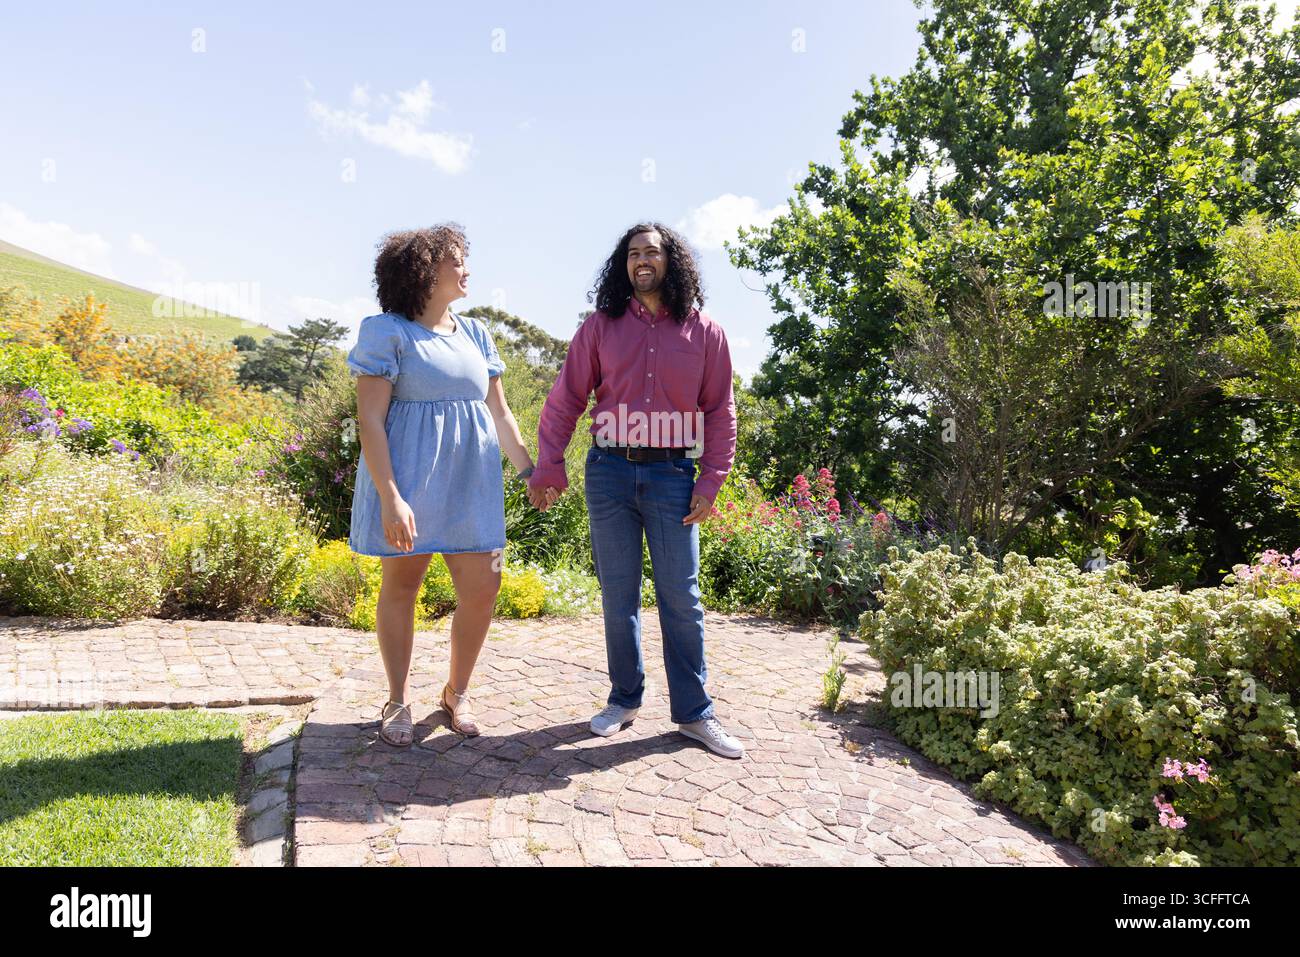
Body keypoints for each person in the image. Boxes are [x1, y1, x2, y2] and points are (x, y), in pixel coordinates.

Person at [526, 222, 744, 758]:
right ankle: (624, 699)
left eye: (652, 251)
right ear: (623, 265)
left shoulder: (706, 333)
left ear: (673, 261)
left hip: (673, 477)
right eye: (632, 253)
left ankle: (694, 714)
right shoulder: (601, 327)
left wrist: (712, 479)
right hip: (610, 474)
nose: (641, 260)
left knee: (682, 599)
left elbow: (720, 411)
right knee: (618, 596)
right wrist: (549, 464)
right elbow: (565, 399)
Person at [346, 223, 554, 747]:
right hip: (409, 484)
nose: (466, 269)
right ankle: (397, 699)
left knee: (485, 588)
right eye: (456, 260)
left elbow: (501, 412)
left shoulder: (476, 333)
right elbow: (369, 420)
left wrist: (530, 471)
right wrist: (391, 497)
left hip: (470, 484)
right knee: (402, 588)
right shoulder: (386, 331)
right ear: (424, 269)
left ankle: (456, 692)